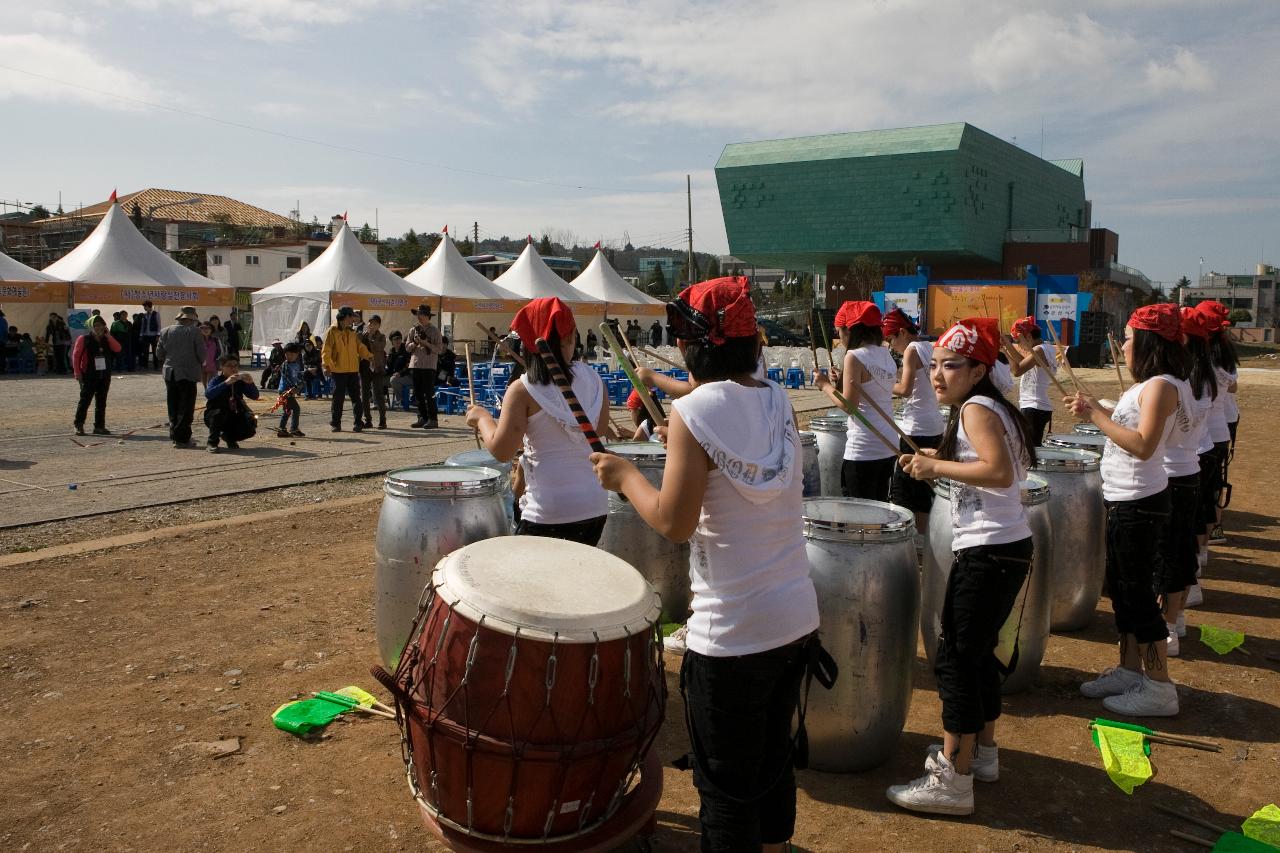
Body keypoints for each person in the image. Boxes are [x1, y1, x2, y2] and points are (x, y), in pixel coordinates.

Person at [590, 276, 820, 852]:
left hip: (733, 636)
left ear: (694, 347)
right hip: (794, 620)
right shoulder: (778, 399)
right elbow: (743, 471)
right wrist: (683, 447)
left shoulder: (693, 413)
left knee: (724, 790)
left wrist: (625, 477)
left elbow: (674, 522)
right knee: (771, 762)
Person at [888, 317, 1036, 816]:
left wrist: (934, 467)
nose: (937, 375)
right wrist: (937, 456)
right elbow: (991, 466)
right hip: (1004, 548)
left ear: (978, 370)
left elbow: (996, 472)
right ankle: (983, 754)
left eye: (950, 365)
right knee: (977, 655)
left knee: (955, 658)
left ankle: (953, 778)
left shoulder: (975, 407)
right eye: (933, 364)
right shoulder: (989, 407)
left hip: (990, 553)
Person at [1074, 303, 1190, 717]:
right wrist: (1101, 410)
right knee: (1123, 590)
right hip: (1125, 499)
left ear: (1146, 341)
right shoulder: (1148, 385)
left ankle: (1159, 686)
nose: (1122, 345)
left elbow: (1143, 445)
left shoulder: (1160, 385)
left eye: (1127, 336)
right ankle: (1129, 669)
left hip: (1140, 502)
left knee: (1139, 595)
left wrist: (1095, 415)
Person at [465, 297, 610, 544]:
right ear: (571, 337)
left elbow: (502, 450)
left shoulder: (522, 390)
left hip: (547, 512)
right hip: (595, 507)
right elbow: (599, 431)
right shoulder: (595, 380)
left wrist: (482, 418)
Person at [1160, 307, 1213, 656]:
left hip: (1171, 473)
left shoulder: (1178, 380)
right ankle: (1175, 622)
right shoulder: (1199, 373)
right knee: (1178, 550)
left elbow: (1156, 434)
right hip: (1188, 467)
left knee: (1168, 555)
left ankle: (1168, 628)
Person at [814, 300, 896, 501]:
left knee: (859, 517)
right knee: (879, 510)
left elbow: (849, 406)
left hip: (863, 448)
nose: (839, 337)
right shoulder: (886, 355)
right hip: (888, 444)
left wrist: (825, 385)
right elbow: (871, 386)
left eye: (839, 331)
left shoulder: (854, 356)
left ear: (849, 331)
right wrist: (842, 378)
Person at [884, 308, 944, 533]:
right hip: (934, 424)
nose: (891, 346)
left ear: (902, 332)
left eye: (891, 339)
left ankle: (910, 541)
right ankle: (924, 539)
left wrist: (880, 384)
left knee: (904, 490)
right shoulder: (929, 346)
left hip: (916, 427)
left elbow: (906, 389)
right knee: (924, 489)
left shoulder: (911, 349)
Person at [1198, 301, 1237, 547]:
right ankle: (1212, 533)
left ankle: (1199, 549)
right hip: (1221, 428)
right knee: (1213, 486)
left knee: (1198, 495)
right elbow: (1233, 385)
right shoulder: (1225, 354)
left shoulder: (1198, 358)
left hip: (1202, 437)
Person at [1002, 317, 1057, 445]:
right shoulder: (1044, 348)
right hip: (1035, 405)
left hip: (1034, 406)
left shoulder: (1040, 350)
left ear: (1028, 338)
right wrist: (1007, 347)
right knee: (1031, 445)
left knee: (1030, 447)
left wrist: (1004, 351)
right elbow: (1022, 362)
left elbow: (1017, 370)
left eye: (1018, 341)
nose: (1019, 345)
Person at [157, 306, 205, 448]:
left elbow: (159, 353)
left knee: (173, 404)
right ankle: (183, 438)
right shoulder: (195, 332)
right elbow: (201, 354)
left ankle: (174, 434)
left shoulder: (165, 331)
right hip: (187, 373)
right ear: (192, 319)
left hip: (169, 372)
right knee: (186, 407)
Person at [322, 307, 371, 432]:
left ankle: (358, 423)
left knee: (356, 397)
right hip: (338, 370)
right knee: (338, 399)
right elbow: (326, 350)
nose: (353, 319)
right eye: (351, 316)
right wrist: (326, 365)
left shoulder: (352, 332)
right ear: (345, 317)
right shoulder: (332, 331)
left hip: (353, 369)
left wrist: (369, 356)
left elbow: (360, 347)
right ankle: (336, 423)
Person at [71, 315, 122, 436]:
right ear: (91, 327)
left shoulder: (106, 339)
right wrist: (77, 373)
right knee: (85, 401)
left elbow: (118, 348)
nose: (99, 327)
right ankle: (78, 425)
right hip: (89, 374)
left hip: (104, 374)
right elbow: (76, 357)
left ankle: (99, 426)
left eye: (101, 325)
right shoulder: (84, 339)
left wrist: (108, 336)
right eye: (96, 325)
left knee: (101, 402)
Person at [204, 355, 260, 453]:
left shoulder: (240, 381)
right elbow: (209, 394)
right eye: (229, 366)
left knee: (250, 425)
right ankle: (212, 442)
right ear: (222, 367)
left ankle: (230, 438)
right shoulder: (217, 380)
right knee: (218, 414)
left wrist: (250, 383)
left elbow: (255, 396)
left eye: (235, 365)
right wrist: (226, 383)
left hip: (234, 413)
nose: (233, 368)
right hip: (215, 414)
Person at [406, 304, 443, 429]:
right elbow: (407, 348)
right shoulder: (413, 330)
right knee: (418, 394)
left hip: (429, 365)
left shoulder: (435, 331)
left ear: (428, 316)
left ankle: (433, 419)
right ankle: (422, 417)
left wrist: (426, 343)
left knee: (429, 393)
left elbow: (439, 349)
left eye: (421, 314)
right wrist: (415, 343)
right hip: (415, 364)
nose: (419, 317)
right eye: (418, 314)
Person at [359, 314, 389, 429]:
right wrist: (364, 336)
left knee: (378, 394)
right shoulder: (363, 335)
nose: (372, 325)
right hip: (364, 368)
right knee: (364, 395)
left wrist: (371, 337)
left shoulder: (382, 336)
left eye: (375, 323)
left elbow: (379, 347)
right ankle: (368, 420)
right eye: (370, 323)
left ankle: (383, 420)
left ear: (379, 325)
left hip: (377, 369)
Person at [275, 342, 306, 438]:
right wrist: (291, 389)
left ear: (297, 354)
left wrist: (299, 385)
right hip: (285, 391)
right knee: (296, 408)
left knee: (287, 410)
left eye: (292, 354)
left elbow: (299, 376)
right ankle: (293, 429)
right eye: (287, 354)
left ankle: (282, 429)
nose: (289, 356)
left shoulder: (296, 364)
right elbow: (286, 377)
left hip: (291, 390)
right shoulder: (285, 364)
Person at [386, 331, 412, 409]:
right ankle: (377, 403)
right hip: (395, 376)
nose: (397, 341)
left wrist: (400, 373)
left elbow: (409, 366)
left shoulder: (406, 350)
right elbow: (389, 367)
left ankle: (401, 400)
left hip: (408, 376)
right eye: (395, 339)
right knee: (377, 379)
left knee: (393, 380)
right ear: (391, 341)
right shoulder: (392, 351)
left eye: (399, 338)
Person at [198, 321, 223, 388]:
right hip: (201, 366)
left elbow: (221, 352)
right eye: (203, 328)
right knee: (205, 385)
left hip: (213, 366)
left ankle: (210, 396)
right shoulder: (198, 340)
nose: (205, 330)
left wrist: (216, 360)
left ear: (211, 330)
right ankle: (207, 394)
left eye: (208, 328)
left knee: (211, 384)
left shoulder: (216, 340)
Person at [137, 300, 161, 369]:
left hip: (154, 335)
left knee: (154, 351)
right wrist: (141, 335)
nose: (144, 308)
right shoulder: (144, 315)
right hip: (145, 335)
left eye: (145, 306)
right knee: (145, 351)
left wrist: (158, 335)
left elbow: (159, 325)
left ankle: (156, 366)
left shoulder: (156, 314)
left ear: (148, 306)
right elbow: (142, 326)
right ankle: (145, 365)